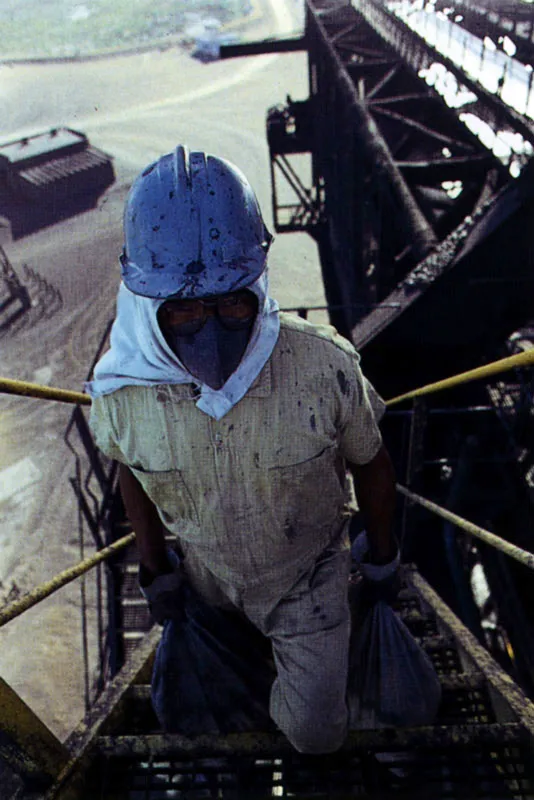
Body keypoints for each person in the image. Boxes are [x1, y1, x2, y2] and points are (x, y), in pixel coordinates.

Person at [87, 145, 399, 754]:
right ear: (151, 305)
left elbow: (372, 462)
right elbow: (132, 479)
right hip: (209, 582)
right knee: (214, 716)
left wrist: (381, 560)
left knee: (315, 735)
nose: (210, 327)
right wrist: (156, 572)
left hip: (309, 580)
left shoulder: (323, 364)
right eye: (184, 311)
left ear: (257, 284)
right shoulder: (122, 396)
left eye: (232, 303)